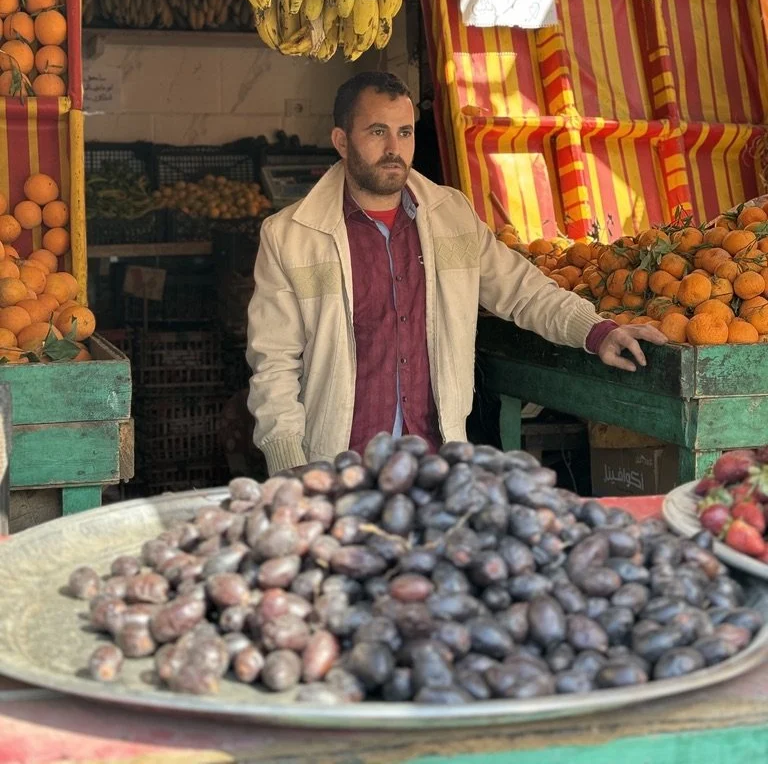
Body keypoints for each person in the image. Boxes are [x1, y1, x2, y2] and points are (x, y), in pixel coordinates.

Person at [246, 71, 666, 475]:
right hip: (338, 467)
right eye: (377, 132)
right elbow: (274, 363)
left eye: (405, 132)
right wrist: (289, 464)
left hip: (436, 464)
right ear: (341, 141)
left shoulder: (452, 216)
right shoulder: (290, 236)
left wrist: (597, 331)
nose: (394, 148)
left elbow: (523, 290)